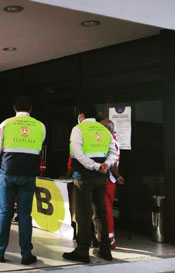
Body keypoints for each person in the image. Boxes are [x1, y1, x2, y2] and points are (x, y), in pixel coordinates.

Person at [0, 96, 46, 265]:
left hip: (8, 173)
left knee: (5, 213)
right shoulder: (40, 126)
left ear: (14, 109)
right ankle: (26, 254)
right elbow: (38, 146)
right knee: (25, 215)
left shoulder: (6, 124)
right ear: (31, 109)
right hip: (28, 175)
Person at [62, 104, 119, 263]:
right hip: (101, 178)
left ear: (81, 116)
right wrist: (105, 165)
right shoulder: (104, 130)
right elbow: (114, 152)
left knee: (83, 214)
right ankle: (105, 250)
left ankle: (82, 251)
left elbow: (78, 154)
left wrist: (95, 166)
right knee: (100, 213)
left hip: (84, 177)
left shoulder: (78, 129)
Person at [99, 118, 124, 249]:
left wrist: (117, 175)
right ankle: (103, 237)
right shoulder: (112, 140)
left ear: (108, 128)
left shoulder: (110, 140)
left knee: (106, 210)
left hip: (108, 179)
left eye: (102, 127)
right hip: (109, 178)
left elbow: (113, 163)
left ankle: (109, 240)